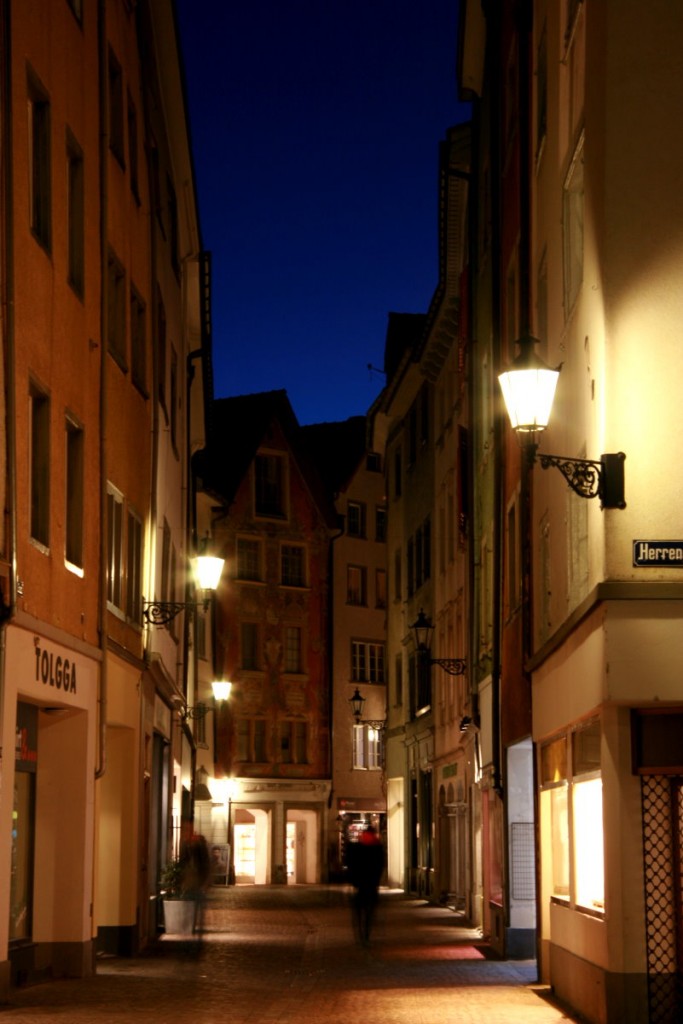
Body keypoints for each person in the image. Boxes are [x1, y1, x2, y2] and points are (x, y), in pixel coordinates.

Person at [346, 824, 385, 945]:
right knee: (369, 911)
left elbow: (351, 864)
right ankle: (366, 934)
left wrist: (353, 880)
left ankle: (360, 934)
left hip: (360, 884)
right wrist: (377, 880)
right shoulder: (378, 848)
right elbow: (380, 866)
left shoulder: (358, 847)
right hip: (372, 884)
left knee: (358, 911)